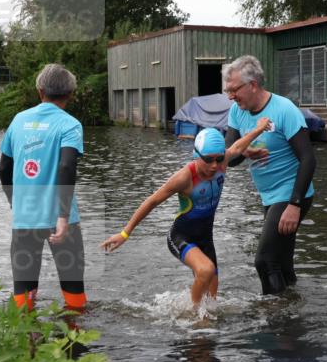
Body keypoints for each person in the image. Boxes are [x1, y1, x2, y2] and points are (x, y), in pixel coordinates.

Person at [101, 118, 271, 307]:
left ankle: (200, 323)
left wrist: (258, 131)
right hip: (181, 236)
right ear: (196, 155)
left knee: (212, 300)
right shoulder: (185, 178)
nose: (214, 165)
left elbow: (238, 147)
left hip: (206, 239)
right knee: (206, 271)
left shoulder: (222, 163)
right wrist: (125, 233)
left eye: (219, 158)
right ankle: (192, 314)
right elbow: (152, 202)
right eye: (208, 160)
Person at [223, 55, 316, 295]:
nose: (231, 96)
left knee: (264, 261)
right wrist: (246, 152)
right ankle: (292, 310)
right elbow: (229, 159)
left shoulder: (284, 109)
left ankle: (275, 317)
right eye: (228, 91)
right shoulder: (237, 111)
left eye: (234, 90)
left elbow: (308, 158)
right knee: (282, 262)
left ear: (252, 84)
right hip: (269, 196)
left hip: (292, 193)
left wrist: (294, 205)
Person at [0, 64, 86, 311]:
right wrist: (62, 216)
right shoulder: (70, 124)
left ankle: (28, 345)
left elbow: (3, 169)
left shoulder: (18, 120)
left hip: (24, 218)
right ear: (69, 94)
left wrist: (16, 203)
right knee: (73, 292)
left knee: (23, 298)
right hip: (62, 221)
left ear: (40, 91)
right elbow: (67, 167)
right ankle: (75, 343)